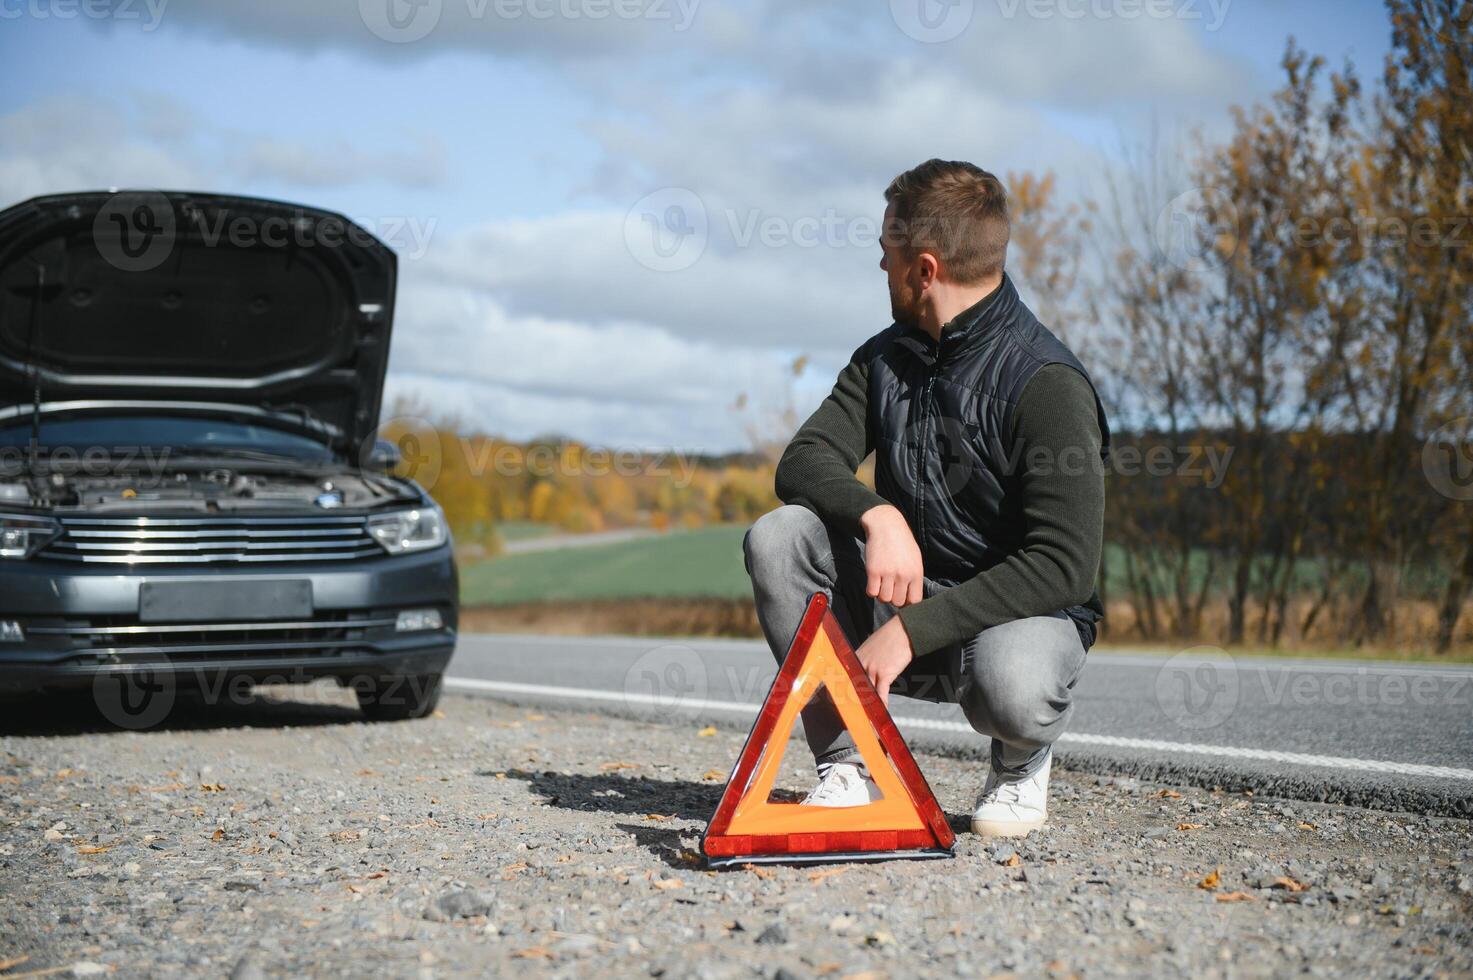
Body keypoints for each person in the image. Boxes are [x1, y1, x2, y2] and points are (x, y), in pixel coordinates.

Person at [743, 159, 1109, 837]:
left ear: (924, 269)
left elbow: (1065, 567)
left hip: (1009, 622)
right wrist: (876, 515)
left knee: (1014, 688)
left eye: (887, 253)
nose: (879, 267)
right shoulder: (883, 359)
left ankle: (1020, 760)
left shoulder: (1047, 382)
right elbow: (803, 460)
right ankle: (848, 765)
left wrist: (911, 631)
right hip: (901, 596)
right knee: (779, 536)